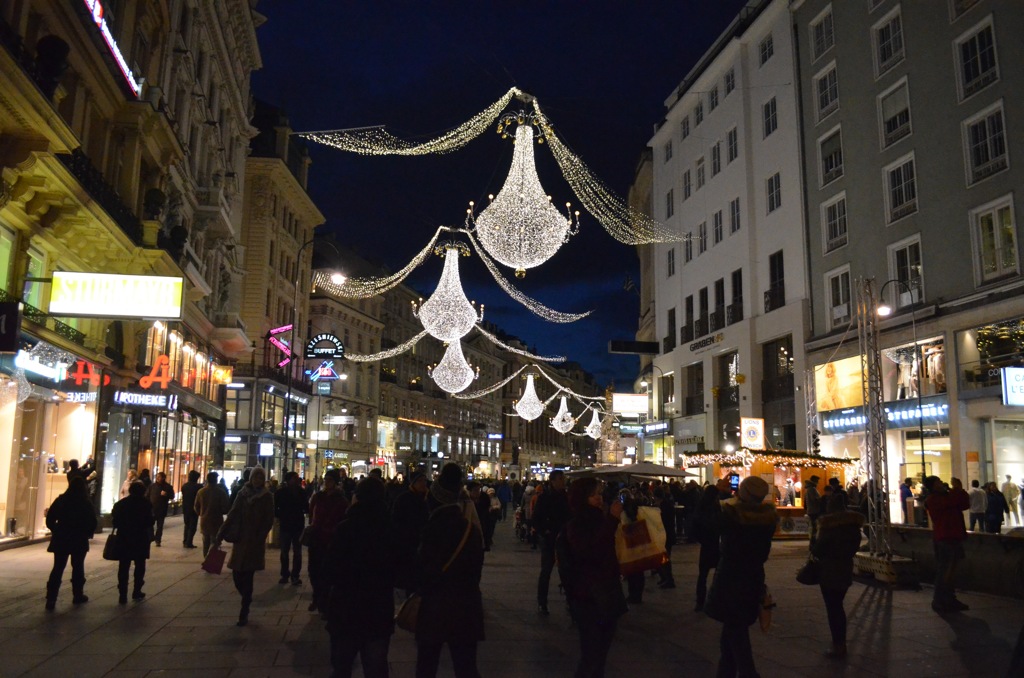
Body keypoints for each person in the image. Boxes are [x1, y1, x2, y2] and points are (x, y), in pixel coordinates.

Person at [704, 476, 777, 678]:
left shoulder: (733, 517)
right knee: (731, 634)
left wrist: (716, 492)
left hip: (731, 579)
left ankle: (749, 674)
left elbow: (703, 524)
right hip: (753, 577)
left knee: (736, 634)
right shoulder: (768, 519)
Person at [415, 462, 484, 678]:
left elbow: (422, 570)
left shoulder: (430, 529)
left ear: (435, 499)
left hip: (435, 606)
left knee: (427, 665)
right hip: (466, 607)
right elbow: (476, 572)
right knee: (466, 667)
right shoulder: (470, 531)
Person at [325, 477, 397, 678]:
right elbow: (399, 570)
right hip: (378, 609)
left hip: (346, 608)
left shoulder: (346, 528)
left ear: (358, 497)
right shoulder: (390, 529)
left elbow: (330, 569)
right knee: (376, 668)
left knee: (342, 667)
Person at [556, 477, 627, 678]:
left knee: (600, 656)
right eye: (594, 494)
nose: (599, 497)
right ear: (583, 497)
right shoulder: (577, 523)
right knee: (591, 656)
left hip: (606, 593)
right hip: (589, 597)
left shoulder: (598, 518)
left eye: (600, 493)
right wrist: (612, 520)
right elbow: (591, 551)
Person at [216, 466, 275, 626]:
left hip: (254, 542)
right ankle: (246, 597)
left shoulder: (267, 497)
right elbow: (232, 514)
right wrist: (221, 533)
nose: (257, 480)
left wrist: (261, 535)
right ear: (251, 478)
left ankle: (244, 611)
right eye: (255, 477)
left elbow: (269, 519)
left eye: (260, 478)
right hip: (241, 540)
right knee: (236, 574)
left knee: (248, 576)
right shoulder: (242, 494)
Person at [812, 491, 864, 659]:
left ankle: (838, 644)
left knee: (833, 608)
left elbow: (817, 550)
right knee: (838, 606)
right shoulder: (853, 527)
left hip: (829, 570)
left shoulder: (829, 528)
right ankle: (839, 643)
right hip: (845, 568)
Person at [44, 476, 97, 610]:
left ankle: (51, 598)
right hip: (79, 537)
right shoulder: (85, 502)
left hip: (62, 537)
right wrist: (87, 532)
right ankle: (77, 594)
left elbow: (50, 518)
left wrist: (55, 529)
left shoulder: (62, 499)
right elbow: (92, 521)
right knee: (78, 566)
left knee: (58, 567)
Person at [924, 475, 970, 613]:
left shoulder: (947, 496)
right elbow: (951, 502)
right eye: (938, 482)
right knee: (945, 570)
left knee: (951, 570)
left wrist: (959, 491)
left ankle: (949, 598)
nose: (941, 483)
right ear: (932, 486)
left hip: (954, 536)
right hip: (945, 537)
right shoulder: (933, 499)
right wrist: (957, 490)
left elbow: (964, 504)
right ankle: (940, 599)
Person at [308, 469, 350, 613]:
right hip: (316, 538)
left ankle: (323, 602)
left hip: (331, 540)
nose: (327, 482)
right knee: (313, 570)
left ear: (336, 482)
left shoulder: (341, 500)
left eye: (330, 480)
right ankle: (317, 596)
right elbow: (311, 512)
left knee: (326, 572)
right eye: (326, 479)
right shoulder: (318, 496)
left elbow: (343, 519)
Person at [532, 469, 570, 615]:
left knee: (566, 571)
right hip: (549, 539)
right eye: (560, 479)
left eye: (563, 479)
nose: (563, 481)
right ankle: (542, 602)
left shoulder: (566, 497)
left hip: (564, 538)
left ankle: (570, 601)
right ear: (552, 481)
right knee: (546, 571)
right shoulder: (544, 497)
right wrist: (544, 531)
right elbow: (536, 518)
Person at [111, 481, 154, 604]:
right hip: (140, 537)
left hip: (124, 537)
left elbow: (115, 521)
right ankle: (137, 590)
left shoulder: (121, 504)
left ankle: (122, 593)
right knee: (140, 565)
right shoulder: (146, 504)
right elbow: (150, 521)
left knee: (124, 566)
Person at [392, 470, 430, 596]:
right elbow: (396, 520)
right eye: (420, 481)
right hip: (407, 542)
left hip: (424, 542)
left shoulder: (429, 498)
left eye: (424, 481)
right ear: (413, 483)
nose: (423, 484)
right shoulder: (404, 498)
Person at [693, 485, 723, 612]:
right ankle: (716, 600)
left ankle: (700, 602)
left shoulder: (701, 507)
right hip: (715, 545)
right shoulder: (716, 508)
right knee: (719, 575)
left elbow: (696, 524)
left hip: (706, 546)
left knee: (703, 575)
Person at [275, 471, 308, 585]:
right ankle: (285, 574)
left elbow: (306, 507)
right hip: (286, 525)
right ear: (288, 480)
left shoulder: (301, 492)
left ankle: (295, 575)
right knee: (284, 551)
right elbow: (275, 507)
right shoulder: (281, 492)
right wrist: (280, 515)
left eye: (297, 478)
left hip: (297, 525)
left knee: (297, 552)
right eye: (294, 478)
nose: (296, 480)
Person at [196, 471, 230, 556]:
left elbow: (196, 506)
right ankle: (211, 562)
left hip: (204, 521)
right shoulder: (221, 492)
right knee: (215, 542)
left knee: (205, 542)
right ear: (216, 480)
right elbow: (226, 508)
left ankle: (205, 559)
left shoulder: (201, 492)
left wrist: (201, 514)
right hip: (217, 521)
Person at [656, 486, 676, 589]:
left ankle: (669, 579)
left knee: (665, 559)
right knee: (664, 558)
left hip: (665, 536)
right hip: (669, 535)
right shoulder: (668, 505)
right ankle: (665, 578)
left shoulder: (663, 507)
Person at [146, 471, 173, 546]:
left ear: (163, 478)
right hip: (152, 509)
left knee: (160, 526)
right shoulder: (152, 486)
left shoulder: (168, 487)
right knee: (150, 524)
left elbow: (172, 496)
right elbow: (147, 495)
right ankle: (151, 537)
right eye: (157, 476)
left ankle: (158, 540)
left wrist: (166, 494)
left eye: (159, 477)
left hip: (162, 509)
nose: (157, 478)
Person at [180, 470, 202, 549]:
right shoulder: (199, 487)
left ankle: (185, 541)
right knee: (192, 526)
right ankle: (189, 542)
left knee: (187, 525)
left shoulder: (185, 486)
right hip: (194, 509)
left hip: (185, 508)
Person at [804, 475, 822, 548]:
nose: (818, 482)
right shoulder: (812, 489)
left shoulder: (809, 489)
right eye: (817, 480)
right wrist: (821, 500)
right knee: (815, 528)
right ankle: (813, 543)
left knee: (814, 527)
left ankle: (813, 542)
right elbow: (814, 500)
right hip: (814, 511)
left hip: (811, 510)